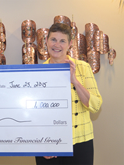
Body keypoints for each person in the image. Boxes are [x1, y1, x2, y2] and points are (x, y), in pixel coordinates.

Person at [35, 23, 102, 165]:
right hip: (49, 143)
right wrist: (40, 143)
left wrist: (75, 81)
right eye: (53, 39)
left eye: (62, 41)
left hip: (81, 142)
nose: (57, 45)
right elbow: (33, 114)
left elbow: (95, 106)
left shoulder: (83, 67)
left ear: (70, 44)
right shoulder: (38, 72)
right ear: (46, 41)